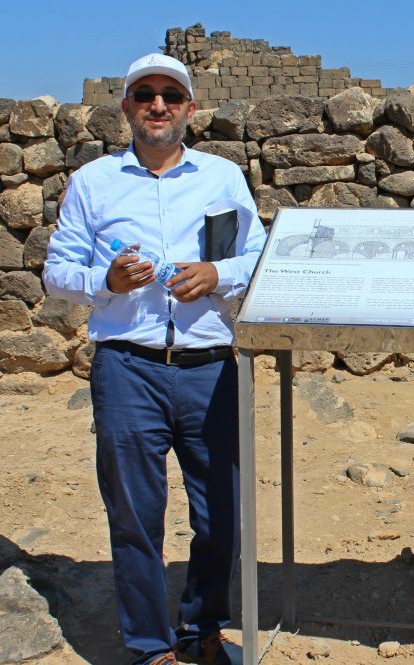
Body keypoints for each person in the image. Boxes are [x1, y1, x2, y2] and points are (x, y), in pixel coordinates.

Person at [43, 53, 265, 665]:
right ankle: (149, 648)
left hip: (210, 365)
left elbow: (260, 258)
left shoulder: (222, 177)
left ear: (191, 108)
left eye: (171, 95)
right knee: (136, 516)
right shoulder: (94, 183)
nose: (158, 105)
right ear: (127, 109)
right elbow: (57, 271)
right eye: (145, 95)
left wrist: (219, 272)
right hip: (127, 367)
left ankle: (204, 629)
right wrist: (106, 280)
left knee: (222, 513)